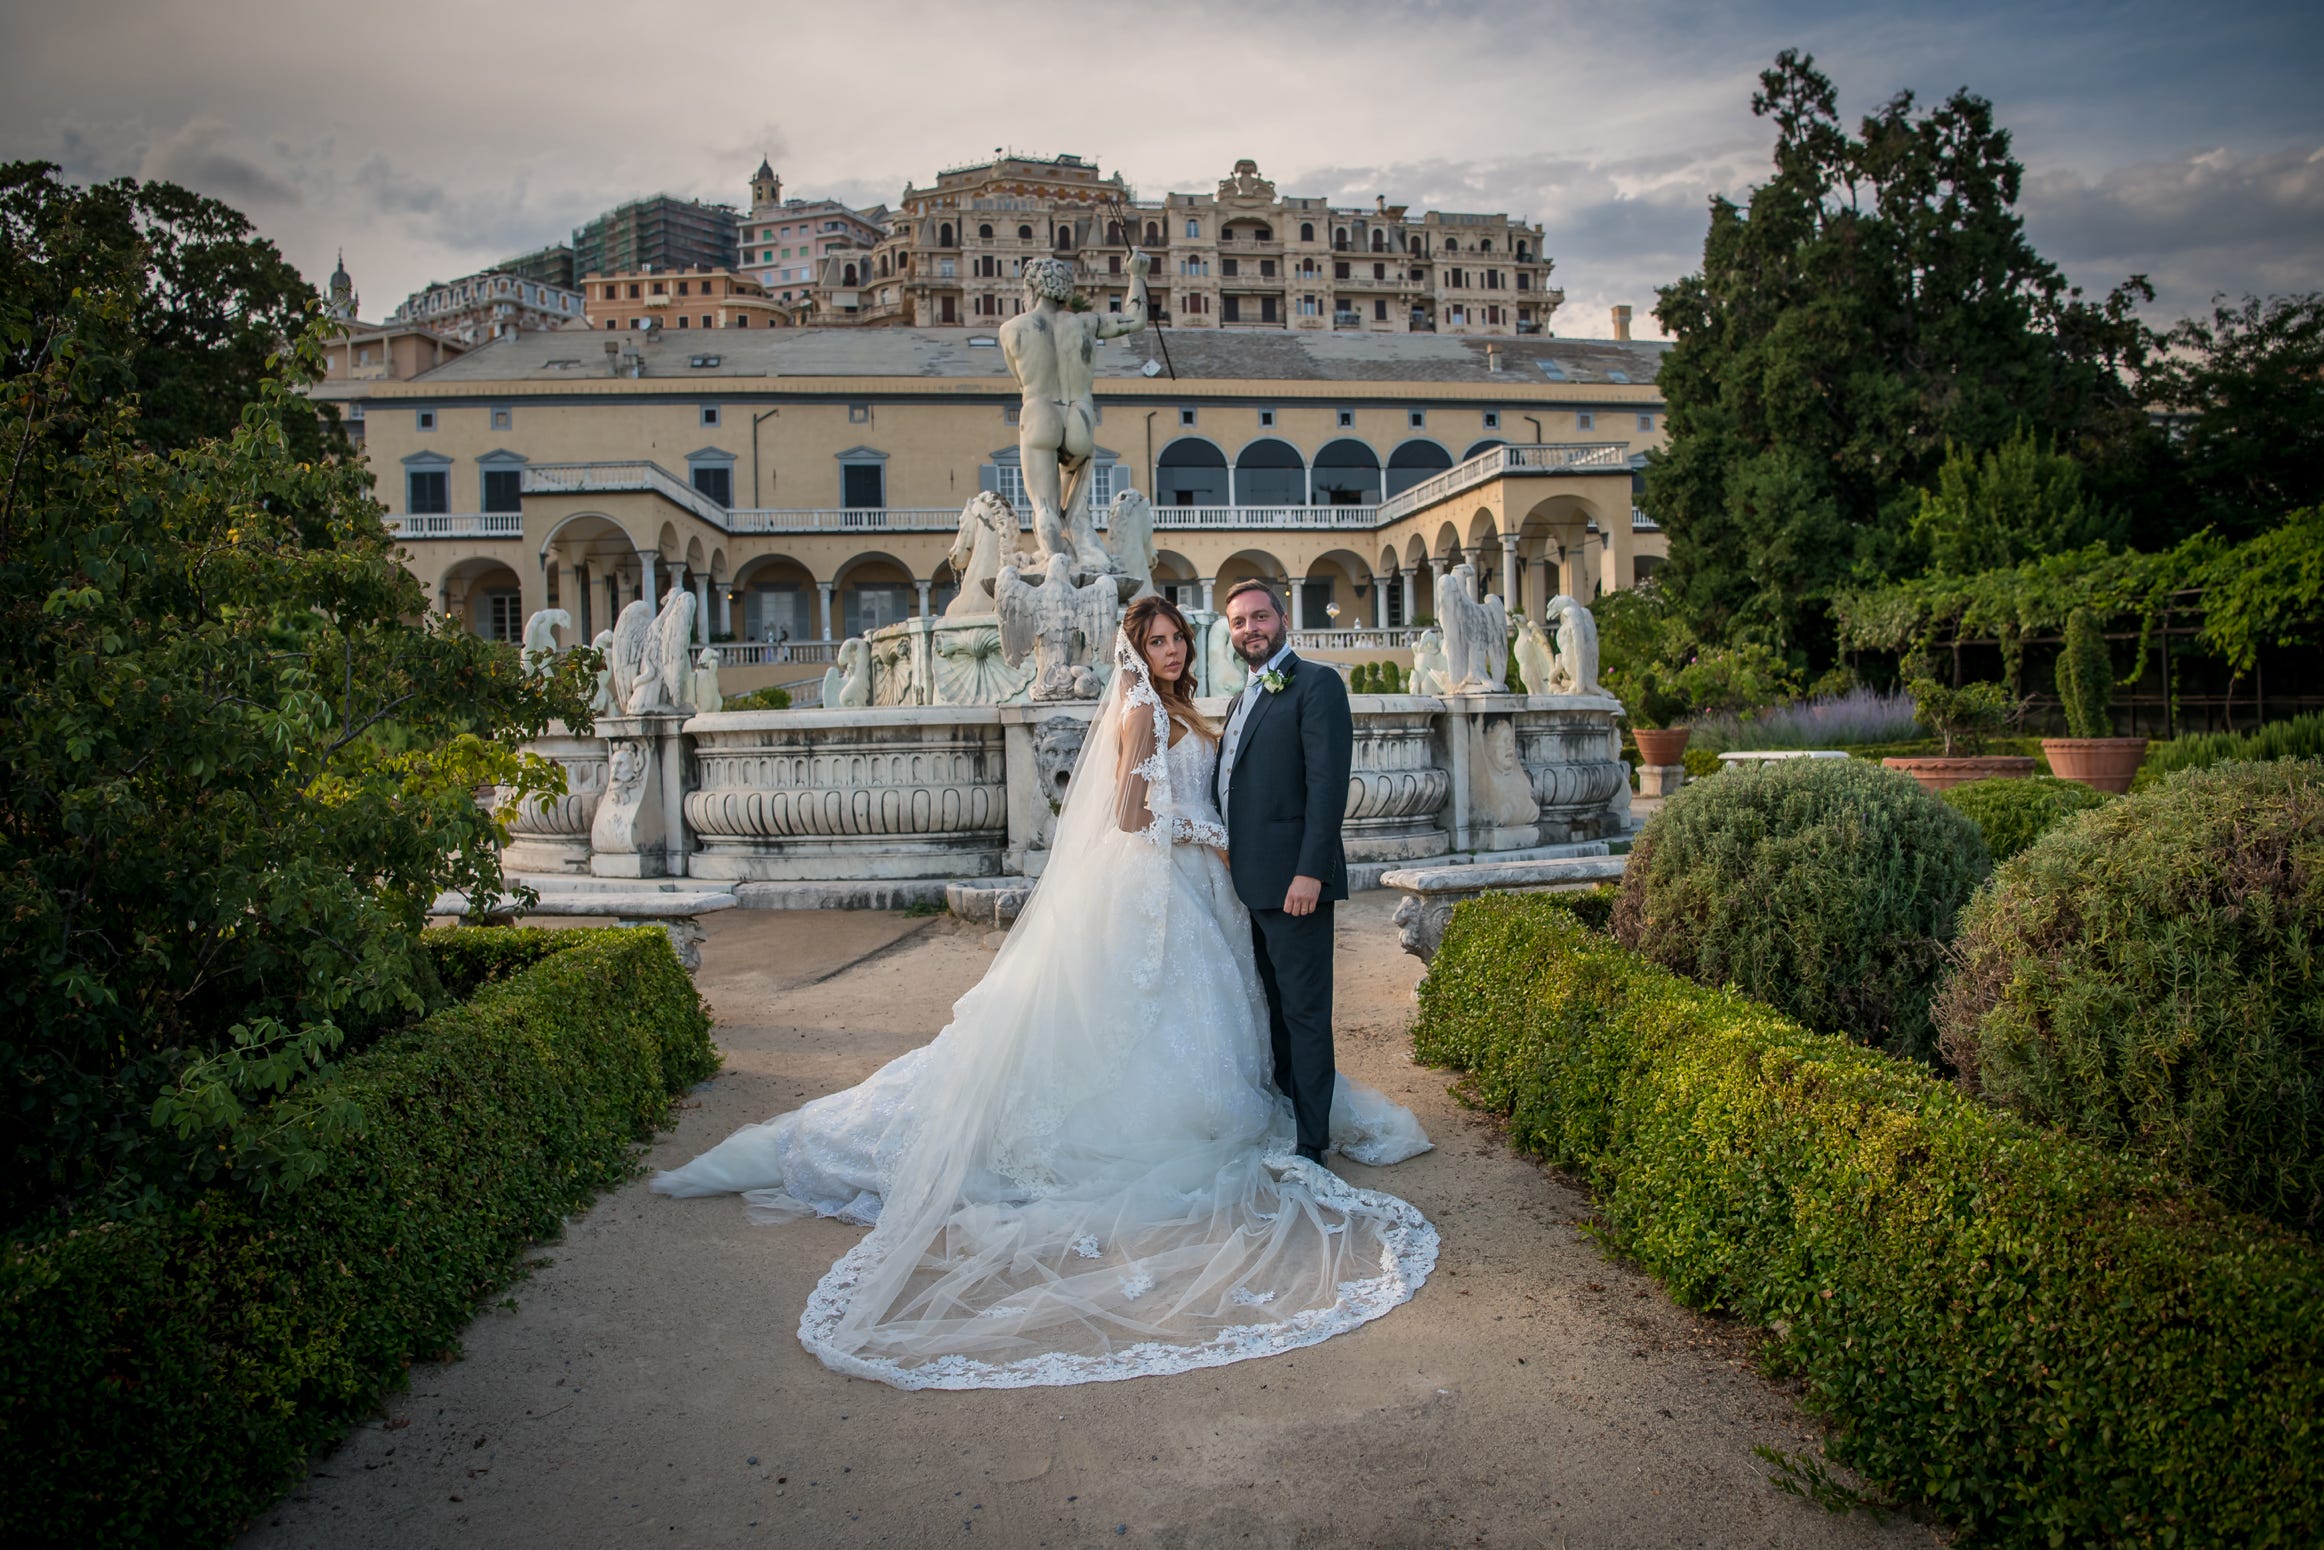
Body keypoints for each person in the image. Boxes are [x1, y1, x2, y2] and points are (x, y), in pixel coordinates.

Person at [653, 595, 1435, 1391]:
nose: (1172, 650)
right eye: (1158, 641)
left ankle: (1292, 1124)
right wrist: (1215, 840)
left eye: (1178, 638)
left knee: (1242, 1012)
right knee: (1147, 1018)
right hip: (1169, 882)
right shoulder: (1139, 709)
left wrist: (1233, 846)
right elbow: (1134, 815)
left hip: (1212, 889)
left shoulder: (1207, 702)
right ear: (1136, 652)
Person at [1213, 578, 1353, 1165]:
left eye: (1260, 617)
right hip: (1248, 885)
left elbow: (1327, 786)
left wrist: (1310, 872)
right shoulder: (1239, 698)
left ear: (1284, 618)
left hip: (1295, 885)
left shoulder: (1316, 684)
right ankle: (1290, 1112)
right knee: (1271, 1008)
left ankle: (1313, 1143)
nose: (1251, 629)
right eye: (1240, 622)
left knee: (1304, 1011)